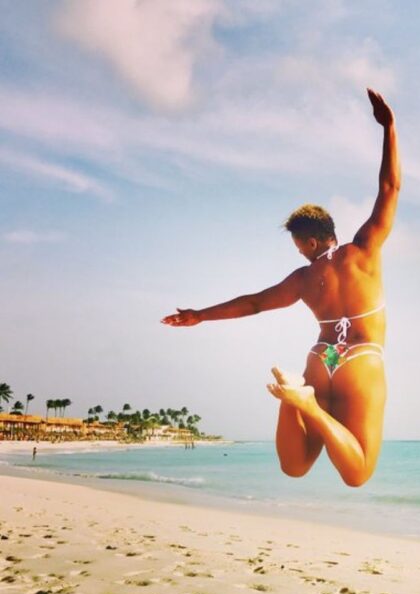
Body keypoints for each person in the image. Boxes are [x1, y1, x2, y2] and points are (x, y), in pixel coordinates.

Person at [162, 88, 400, 487]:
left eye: (297, 246)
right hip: (361, 357)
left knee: (295, 466)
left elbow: (253, 304)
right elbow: (389, 188)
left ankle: (297, 398)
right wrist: (389, 128)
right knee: (356, 473)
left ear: (309, 242)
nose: (299, 253)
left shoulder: (303, 279)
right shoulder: (364, 250)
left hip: (319, 358)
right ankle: (305, 403)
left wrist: (198, 316)